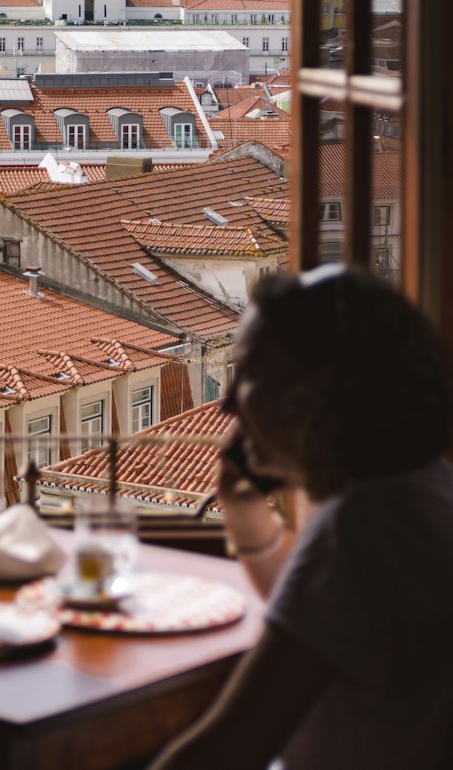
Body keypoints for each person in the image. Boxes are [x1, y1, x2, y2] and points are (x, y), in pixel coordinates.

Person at [150, 264, 453, 770]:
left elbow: (228, 749)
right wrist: (246, 515)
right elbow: (322, 618)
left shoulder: (358, 528)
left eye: (248, 376)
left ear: (314, 395)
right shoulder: (427, 492)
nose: (227, 403)